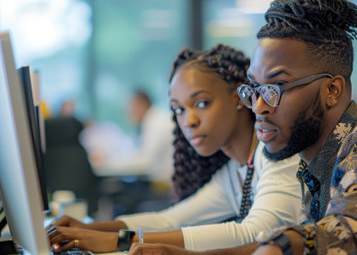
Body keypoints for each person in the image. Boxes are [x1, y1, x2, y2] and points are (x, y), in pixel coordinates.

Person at [128, 0, 357, 255]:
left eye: (276, 88)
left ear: (332, 90)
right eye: (253, 88)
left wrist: (282, 246)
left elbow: (351, 232)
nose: (258, 106)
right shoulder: (309, 163)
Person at [47, 44, 305, 254]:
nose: (189, 121)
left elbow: (254, 233)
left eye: (202, 103)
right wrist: (90, 229)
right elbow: (169, 220)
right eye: (179, 109)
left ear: (238, 97)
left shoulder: (276, 154)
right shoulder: (234, 171)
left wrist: (121, 241)